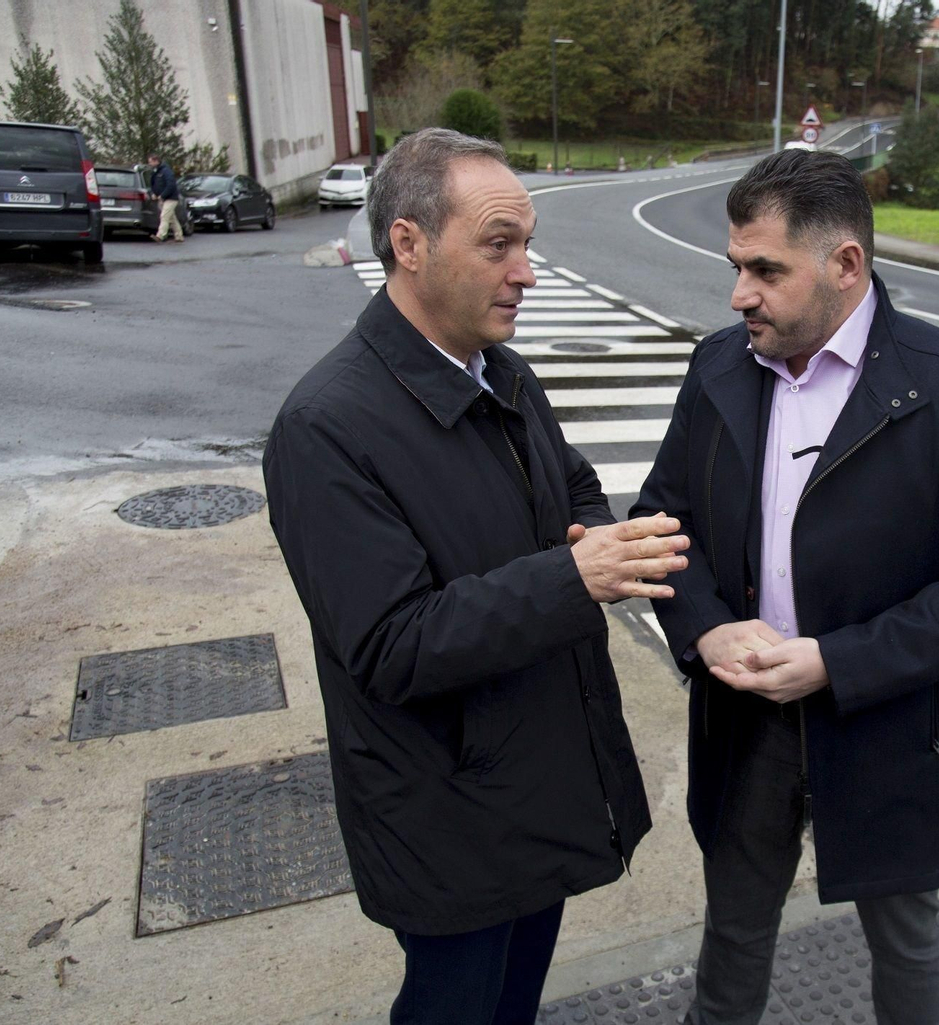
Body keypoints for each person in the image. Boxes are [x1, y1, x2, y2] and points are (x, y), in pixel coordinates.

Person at [263, 128, 687, 1025]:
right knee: (456, 1004)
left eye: (527, 243)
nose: (526, 270)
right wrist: (576, 577)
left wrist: (597, 539)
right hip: (444, 811)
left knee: (514, 1005)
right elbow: (389, 644)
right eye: (499, 244)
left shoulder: (500, 369)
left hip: (535, 779)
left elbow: (568, 478)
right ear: (408, 244)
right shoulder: (326, 428)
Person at [632, 150, 939, 1024]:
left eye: (765, 270)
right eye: (735, 268)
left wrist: (839, 660)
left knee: (905, 936)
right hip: (745, 720)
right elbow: (663, 522)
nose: (739, 294)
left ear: (846, 265)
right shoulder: (718, 369)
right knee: (735, 929)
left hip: (888, 722)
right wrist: (706, 631)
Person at [145, 153, 183, 243]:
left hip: (171, 198)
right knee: (172, 218)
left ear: (156, 161)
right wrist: (154, 193)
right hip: (163, 198)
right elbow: (155, 184)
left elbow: (171, 185)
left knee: (164, 216)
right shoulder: (156, 171)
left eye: (150, 162)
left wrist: (162, 195)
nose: (149, 164)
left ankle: (160, 236)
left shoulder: (166, 171)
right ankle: (179, 236)